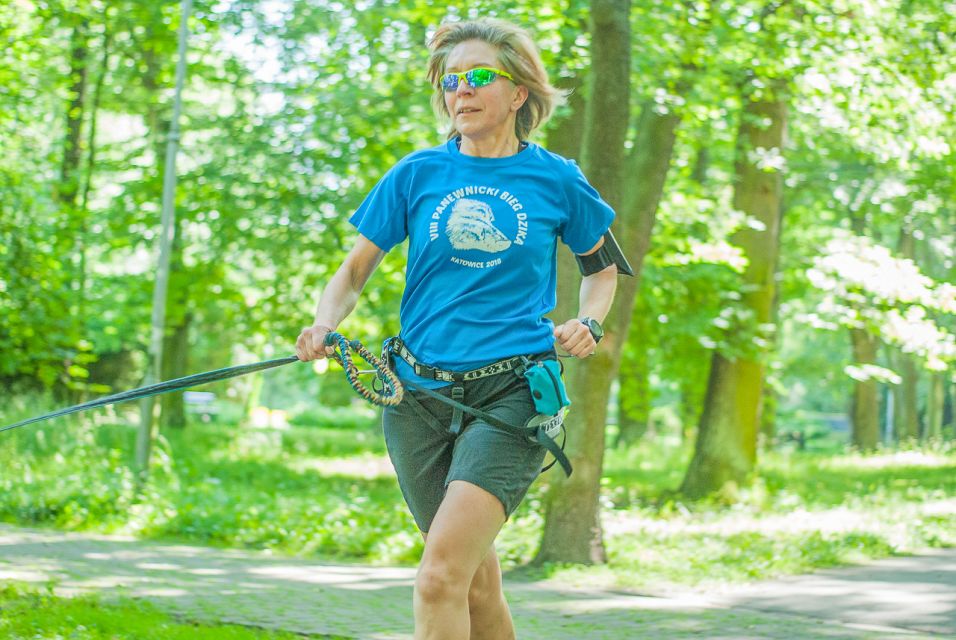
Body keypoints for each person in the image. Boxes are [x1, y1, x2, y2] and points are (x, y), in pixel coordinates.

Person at [295, 17, 628, 640]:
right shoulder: (417, 174)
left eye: (478, 77)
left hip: (512, 397)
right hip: (415, 397)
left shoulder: (555, 178)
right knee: (472, 584)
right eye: (451, 81)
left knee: (438, 577)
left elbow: (602, 271)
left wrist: (588, 322)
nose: (461, 92)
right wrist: (322, 324)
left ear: (519, 93)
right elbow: (351, 275)